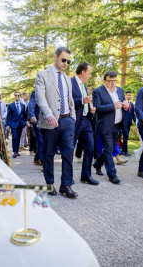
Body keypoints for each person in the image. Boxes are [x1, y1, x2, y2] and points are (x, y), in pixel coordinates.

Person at [35, 47, 77, 198]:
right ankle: (49, 184)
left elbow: (69, 99)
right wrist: (48, 114)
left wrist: (73, 117)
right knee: (48, 153)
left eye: (68, 61)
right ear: (55, 57)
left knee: (68, 153)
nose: (66, 63)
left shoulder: (67, 79)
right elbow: (40, 97)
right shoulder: (42, 75)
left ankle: (66, 185)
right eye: (63, 60)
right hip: (50, 121)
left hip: (67, 120)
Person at [92, 71, 128, 185]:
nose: (113, 83)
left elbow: (122, 105)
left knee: (111, 148)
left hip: (117, 125)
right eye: (110, 81)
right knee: (108, 149)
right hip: (105, 125)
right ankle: (112, 174)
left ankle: (98, 163)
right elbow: (97, 107)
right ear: (104, 81)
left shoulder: (120, 91)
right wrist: (113, 106)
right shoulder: (98, 91)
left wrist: (125, 106)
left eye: (114, 81)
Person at [71, 62, 99, 185]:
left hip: (86, 120)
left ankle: (86, 176)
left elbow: (84, 102)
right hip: (74, 121)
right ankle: (68, 177)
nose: (90, 76)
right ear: (83, 72)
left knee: (90, 147)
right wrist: (82, 100)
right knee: (69, 149)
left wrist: (90, 107)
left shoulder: (84, 85)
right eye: (89, 73)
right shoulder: (70, 83)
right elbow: (68, 101)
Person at [6, 92, 27, 158]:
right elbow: (8, 116)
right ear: (14, 97)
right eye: (16, 95)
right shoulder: (10, 105)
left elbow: (24, 115)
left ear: (20, 96)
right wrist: (7, 125)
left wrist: (25, 122)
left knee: (18, 137)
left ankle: (17, 151)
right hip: (13, 124)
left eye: (18, 95)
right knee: (14, 137)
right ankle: (15, 152)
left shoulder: (23, 105)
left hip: (20, 124)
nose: (17, 96)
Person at [28, 90, 43, 170]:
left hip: (48, 121)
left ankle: (37, 158)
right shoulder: (35, 92)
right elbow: (31, 105)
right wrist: (32, 116)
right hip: (37, 120)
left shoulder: (50, 90)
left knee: (43, 141)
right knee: (41, 141)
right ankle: (44, 163)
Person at [121, 91, 136, 157]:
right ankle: (124, 151)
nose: (130, 96)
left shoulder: (132, 104)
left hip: (129, 123)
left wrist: (136, 122)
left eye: (130, 95)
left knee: (126, 137)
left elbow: (133, 114)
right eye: (128, 95)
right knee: (125, 136)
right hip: (123, 122)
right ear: (125, 95)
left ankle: (124, 150)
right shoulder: (123, 103)